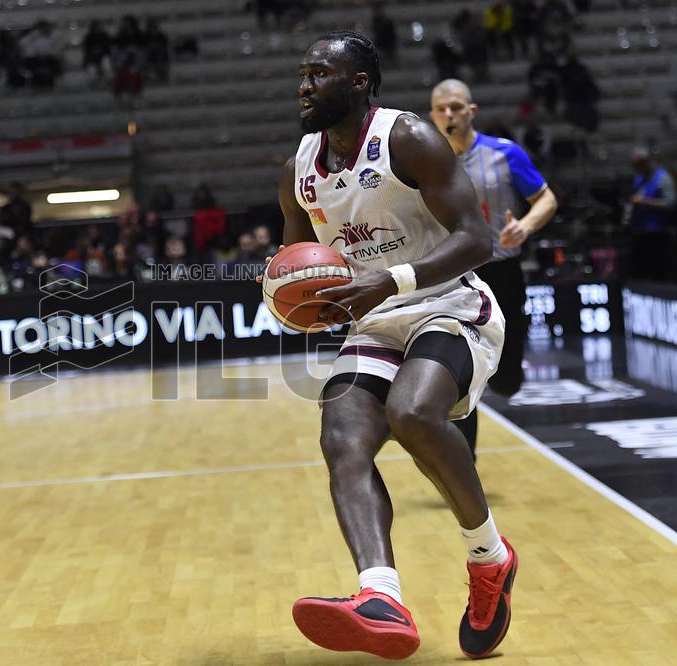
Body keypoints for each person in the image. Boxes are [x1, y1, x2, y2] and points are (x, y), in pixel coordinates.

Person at [261, 31, 517, 660]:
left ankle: (490, 557)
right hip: (376, 322)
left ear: (358, 82)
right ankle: (381, 596)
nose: (304, 84)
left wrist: (392, 279)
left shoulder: (408, 138)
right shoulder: (298, 166)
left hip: (450, 303)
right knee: (342, 436)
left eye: (319, 73)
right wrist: (291, 297)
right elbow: (297, 258)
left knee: (411, 411)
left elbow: (478, 238)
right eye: (302, 73)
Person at [429, 78, 557, 457]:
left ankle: (509, 375)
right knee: (458, 370)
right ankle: (463, 460)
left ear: (471, 110)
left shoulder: (505, 153)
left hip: (502, 270)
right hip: (451, 278)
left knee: (506, 380)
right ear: (432, 114)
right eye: (441, 109)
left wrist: (526, 225)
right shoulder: (423, 160)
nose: (449, 114)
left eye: (455, 107)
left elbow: (545, 198)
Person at [625, 147, 677, 281]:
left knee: (659, 271)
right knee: (642, 271)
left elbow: (670, 203)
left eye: (638, 165)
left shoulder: (663, 178)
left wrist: (645, 202)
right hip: (640, 231)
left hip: (658, 233)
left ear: (646, 162)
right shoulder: (639, 179)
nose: (636, 168)